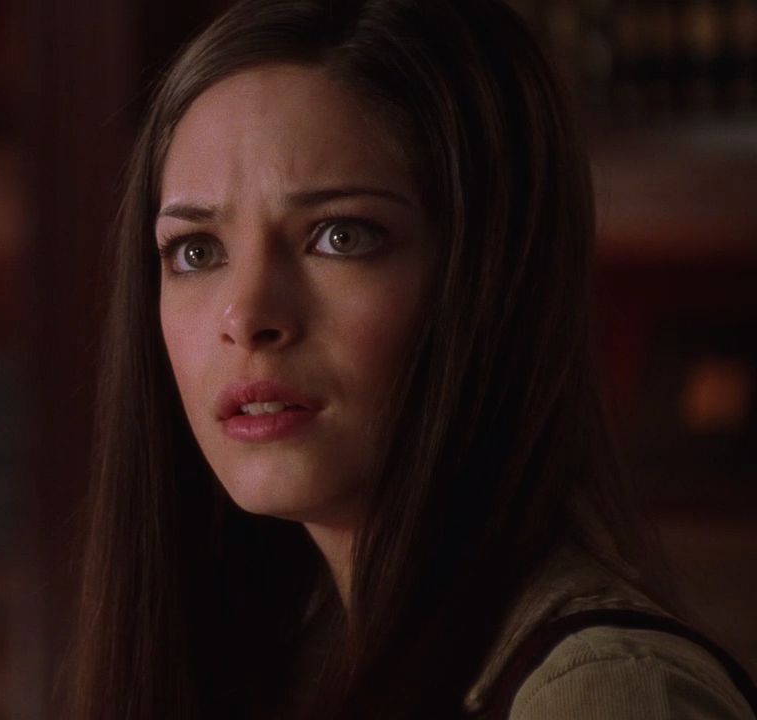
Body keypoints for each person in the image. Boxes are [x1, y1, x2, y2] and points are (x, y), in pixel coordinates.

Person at [66, 0, 757, 718]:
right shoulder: (277, 663)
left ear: (491, 279)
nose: (246, 317)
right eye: (196, 251)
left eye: (340, 236)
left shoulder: (605, 696)